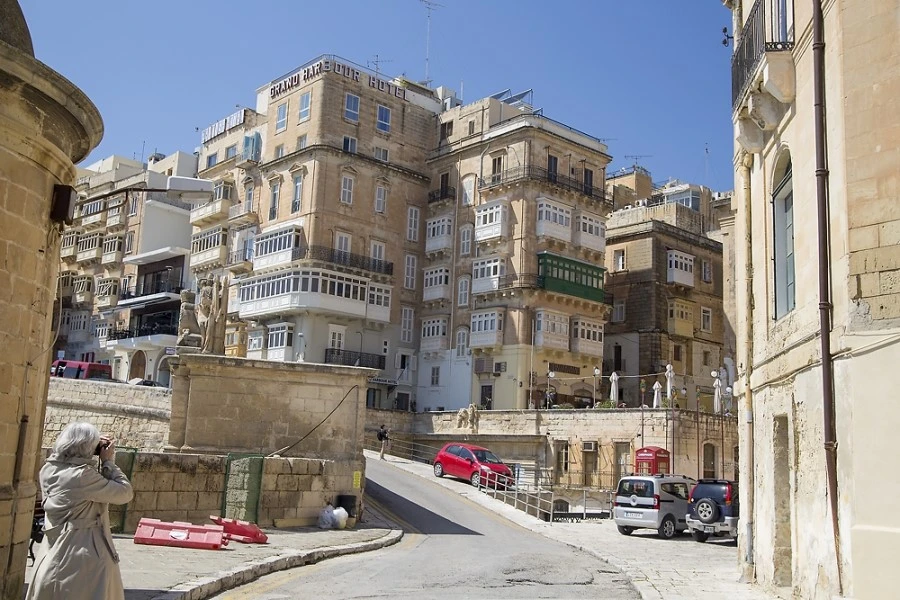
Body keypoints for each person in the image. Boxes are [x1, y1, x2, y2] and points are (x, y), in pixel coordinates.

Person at [27, 422, 134, 600]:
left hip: (53, 553)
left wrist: (90, 444)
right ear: (86, 447)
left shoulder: (48, 470)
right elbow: (124, 492)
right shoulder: (83, 476)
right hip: (83, 559)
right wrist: (107, 462)